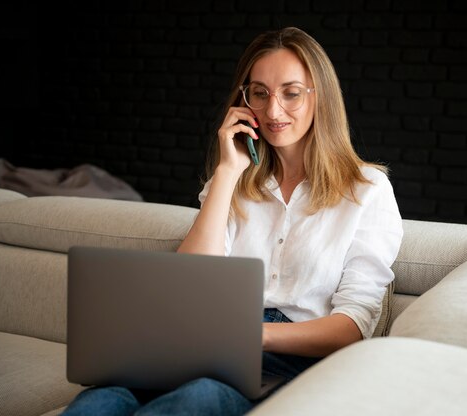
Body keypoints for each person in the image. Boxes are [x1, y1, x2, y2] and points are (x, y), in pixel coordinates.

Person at [62, 26, 403, 415]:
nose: (273, 111)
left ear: (319, 96)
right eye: (259, 93)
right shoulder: (233, 179)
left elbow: (352, 327)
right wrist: (227, 172)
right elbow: (189, 280)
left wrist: (253, 335)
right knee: (102, 397)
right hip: (207, 342)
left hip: (293, 358)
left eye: (291, 93)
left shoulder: (366, 189)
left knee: (201, 397)